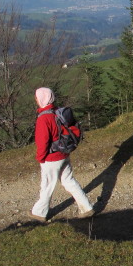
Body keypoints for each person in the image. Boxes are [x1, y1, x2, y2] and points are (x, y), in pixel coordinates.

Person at [29, 87, 94, 222]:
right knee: (69, 181)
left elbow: (43, 142)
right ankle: (87, 208)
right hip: (64, 154)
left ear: (41, 99)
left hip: (51, 158)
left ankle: (39, 213)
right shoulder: (58, 112)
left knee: (47, 185)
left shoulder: (43, 118)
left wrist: (40, 158)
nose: (35, 99)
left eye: (36, 97)